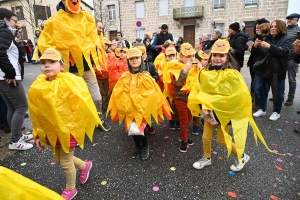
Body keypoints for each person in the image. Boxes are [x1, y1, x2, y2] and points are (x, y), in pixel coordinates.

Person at [189, 39, 273, 171]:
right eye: (215, 55)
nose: (217, 58)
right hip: (208, 111)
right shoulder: (204, 73)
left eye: (221, 55)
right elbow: (200, 92)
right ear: (211, 57)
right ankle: (206, 158)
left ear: (227, 57)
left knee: (222, 140)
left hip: (225, 113)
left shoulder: (232, 75)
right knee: (205, 137)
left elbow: (238, 96)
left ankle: (242, 156)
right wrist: (203, 108)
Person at [28, 48, 101, 200]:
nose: (47, 66)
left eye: (52, 62)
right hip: (51, 131)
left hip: (68, 129)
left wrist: (77, 127)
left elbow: (82, 105)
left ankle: (70, 189)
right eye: (43, 63)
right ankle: (84, 165)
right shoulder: (38, 85)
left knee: (65, 162)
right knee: (58, 159)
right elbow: (36, 113)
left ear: (62, 65)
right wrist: (38, 135)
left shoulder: (70, 82)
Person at [33, 0, 111, 131]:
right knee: (74, 100)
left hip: (87, 68)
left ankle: (99, 119)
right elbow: (46, 43)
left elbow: (93, 39)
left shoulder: (87, 18)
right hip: (69, 70)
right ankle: (79, 124)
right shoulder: (55, 20)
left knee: (96, 98)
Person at [107, 47, 172, 160]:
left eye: (136, 57)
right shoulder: (125, 76)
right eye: (131, 58)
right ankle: (137, 146)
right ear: (128, 61)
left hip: (142, 108)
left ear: (141, 59)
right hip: (129, 108)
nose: (134, 60)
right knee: (132, 130)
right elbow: (118, 92)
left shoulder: (146, 75)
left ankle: (144, 146)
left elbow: (154, 92)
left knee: (141, 130)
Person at [0, 8, 33, 150]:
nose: (16, 23)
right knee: (21, 107)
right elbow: (1, 52)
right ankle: (15, 141)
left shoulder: (5, 32)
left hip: (3, 77)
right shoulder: (4, 32)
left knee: (12, 108)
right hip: (7, 77)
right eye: (14, 20)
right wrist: (10, 73)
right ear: (6, 20)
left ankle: (17, 135)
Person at [252, 20, 292, 121]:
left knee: (277, 92)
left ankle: (276, 112)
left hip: (277, 69)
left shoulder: (287, 39)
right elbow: (257, 54)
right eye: (272, 26)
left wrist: (270, 47)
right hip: (263, 68)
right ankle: (262, 108)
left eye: (275, 26)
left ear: (281, 28)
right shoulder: (266, 38)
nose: (273, 28)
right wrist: (255, 46)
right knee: (259, 89)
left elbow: (283, 52)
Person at [164, 43, 200, 152]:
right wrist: (185, 70)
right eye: (188, 56)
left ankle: (183, 136)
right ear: (181, 56)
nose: (191, 58)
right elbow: (178, 83)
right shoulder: (175, 67)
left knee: (189, 118)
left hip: (191, 98)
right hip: (181, 98)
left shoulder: (194, 66)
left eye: (193, 55)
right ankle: (184, 141)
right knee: (184, 121)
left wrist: (200, 69)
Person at [247, 18, 270, 110]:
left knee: (262, 85)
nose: (257, 29)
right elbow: (252, 47)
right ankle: (254, 99)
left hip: (263, 64)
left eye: (258, 28)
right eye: (256, 28)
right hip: (254, 62)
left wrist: (255, 48)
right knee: (254, 82)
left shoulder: (268, 39)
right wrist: (252, 47)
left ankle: (260, 102)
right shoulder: (255, 37)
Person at [283, 13, 300, 106]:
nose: (288, 20)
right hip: (282, 57)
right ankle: (280, 96)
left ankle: (290, 98)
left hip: (293, 58)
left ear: (297, 20)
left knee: (291, 79)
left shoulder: (299, 30)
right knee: (280, 77)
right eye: (288, 19)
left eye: (291, 19)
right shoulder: (284, 29)